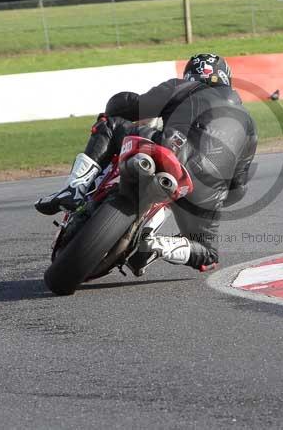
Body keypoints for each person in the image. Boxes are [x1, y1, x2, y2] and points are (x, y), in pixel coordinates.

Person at [35, 53, 257, 275]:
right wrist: (211, 202)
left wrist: (116, 104)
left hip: (172, 149)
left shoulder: (184, 87)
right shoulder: (249, 125)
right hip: (207, 189)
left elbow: (133, 106)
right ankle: (157, 245)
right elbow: (238, 187)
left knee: (110, 125)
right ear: (226, 78)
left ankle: (74, 188)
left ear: (190, 75)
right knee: (208, 253)